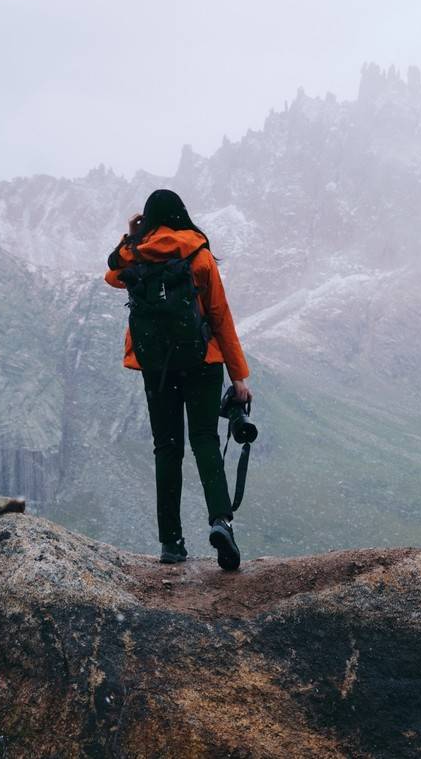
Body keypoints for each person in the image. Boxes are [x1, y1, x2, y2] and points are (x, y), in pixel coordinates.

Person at [105, 189, 252, 569]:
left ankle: (171, 543)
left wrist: (132, 236)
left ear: (149, 219)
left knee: (166, 448)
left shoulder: (136, 256)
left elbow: (110, 274)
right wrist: (238, 376)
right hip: (203, 361)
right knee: (205, 439)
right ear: (183, 214)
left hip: (156, 366)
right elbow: (220, 315)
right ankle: (221, 521)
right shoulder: (199, 255)